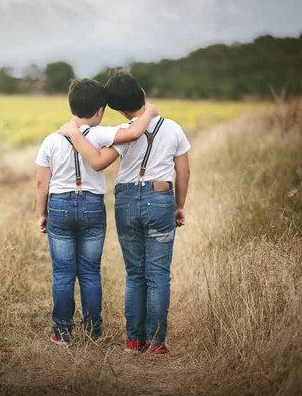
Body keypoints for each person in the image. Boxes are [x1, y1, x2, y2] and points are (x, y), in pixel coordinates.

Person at [58, 71, 191, 354]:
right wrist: (179, 206)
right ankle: (156, 342)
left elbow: (99, 160)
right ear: (142, 92)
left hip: (127, 201)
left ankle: (134, 339)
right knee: (158, 273)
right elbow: (184, 170)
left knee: (134, 272)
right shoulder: (174, 128)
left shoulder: (122, 133)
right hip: (160, 198)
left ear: (118, 109)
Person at [35, 78, 158, 344]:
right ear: (100, 111)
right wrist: (148, 111)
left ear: (70, 106)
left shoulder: (50, 141)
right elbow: (133, 131)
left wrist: (42, 213)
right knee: (90, 272)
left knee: (63, 273)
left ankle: (62, 332)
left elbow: (41, 183)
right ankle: (93, 331)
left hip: (59, 206)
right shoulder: (101, 134)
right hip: (92, 205)